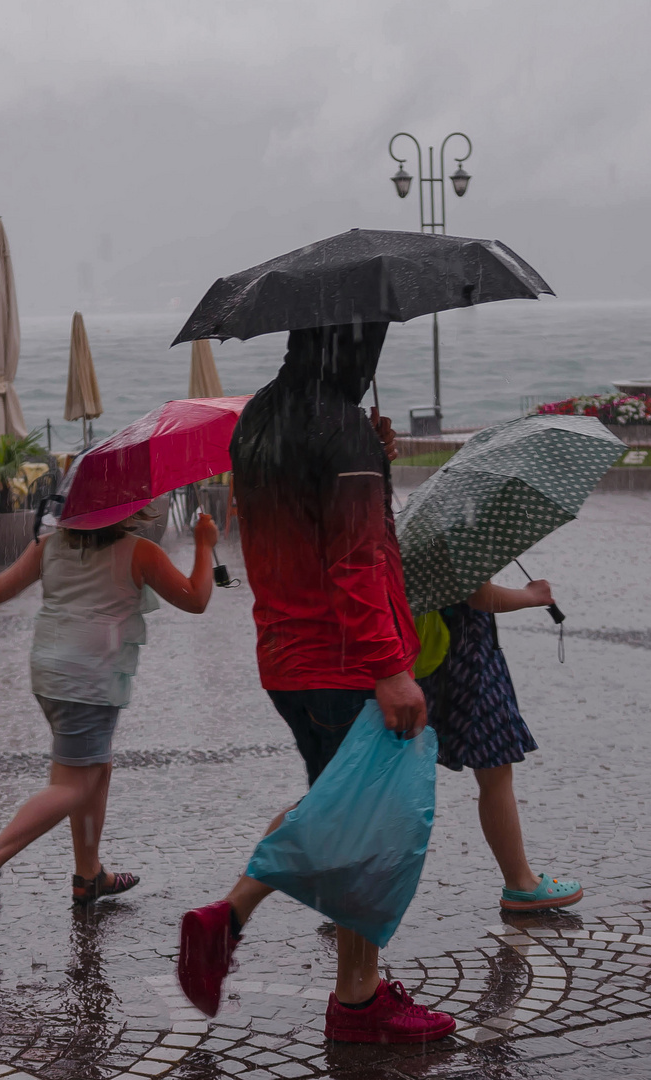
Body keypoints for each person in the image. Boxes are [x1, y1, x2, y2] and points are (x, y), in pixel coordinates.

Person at [175, 322, 455, 1044]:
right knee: (365, 827)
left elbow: (297, 518)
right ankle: (235, 923)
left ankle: (356, 993)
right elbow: (356, 559)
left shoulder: (262, 417)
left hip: (286, 654)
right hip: (347, 661)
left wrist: (372, 461)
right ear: (355, 346)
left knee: (343, 811)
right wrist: (392, 669)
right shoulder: (343, 430)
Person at [0, 508, 219, 922]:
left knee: (96, 768)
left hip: (50, 674)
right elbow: (196, 598)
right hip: (89, 683)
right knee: (73, 784)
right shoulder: (139, 552)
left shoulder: (49, 546)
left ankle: (88, 875)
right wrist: (204, 545)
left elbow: (3, 585)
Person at [415, 580, 582, 911]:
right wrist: (532, 596)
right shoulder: (455, 528)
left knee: (391, 772)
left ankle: (349, 889)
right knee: (495, 770)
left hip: (424, 652)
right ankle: (521, 882)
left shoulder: (406, 536)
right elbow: (479, 595)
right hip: (467, 659)